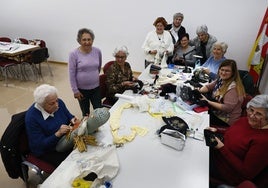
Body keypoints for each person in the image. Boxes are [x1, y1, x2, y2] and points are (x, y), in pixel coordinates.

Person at [25, 84, 110, 167]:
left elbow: (67, 114)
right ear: (41, 105)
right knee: (73, 163)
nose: (57, 105)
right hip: (48, 149)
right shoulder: (31, 118)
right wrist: (57, 134)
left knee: (89, 146)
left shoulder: (58, 102)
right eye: (52, 103)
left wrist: (72, 119)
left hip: (64, 137)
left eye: (56, 100)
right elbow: (39, 145)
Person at [208, 94, 268, 187]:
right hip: (218, 153)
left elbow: (246, 173)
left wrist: (222, 148)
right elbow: (231, 131)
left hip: (226, 172)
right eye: (251, 110)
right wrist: (217, 130)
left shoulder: (264, 142)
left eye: (259, 114)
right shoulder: (245, 120)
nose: (252, 115)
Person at [199, 59, 245, 126]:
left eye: (227, 71)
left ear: (233, 73)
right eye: (222, 70)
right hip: (217, 112)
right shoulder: (221, 80)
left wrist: (207, 101)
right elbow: (208, 87)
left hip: (226, 120)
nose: (223, 73)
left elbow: (227, 108)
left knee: (200, 119)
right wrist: (199, 91)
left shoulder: (233, 88)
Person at [69, 28, 102, 117]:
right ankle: (87, 129)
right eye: (84, 39)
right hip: (81, 90)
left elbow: (98, 67)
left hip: (96, 88)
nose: (87, 42)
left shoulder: (97, 51)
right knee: (86, 113)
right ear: (79, 41)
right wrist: (75, 90)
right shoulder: (73, 54)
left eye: (89, 39)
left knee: (99, 111)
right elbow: (71, 74)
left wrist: (92, 77)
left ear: (92, 40)